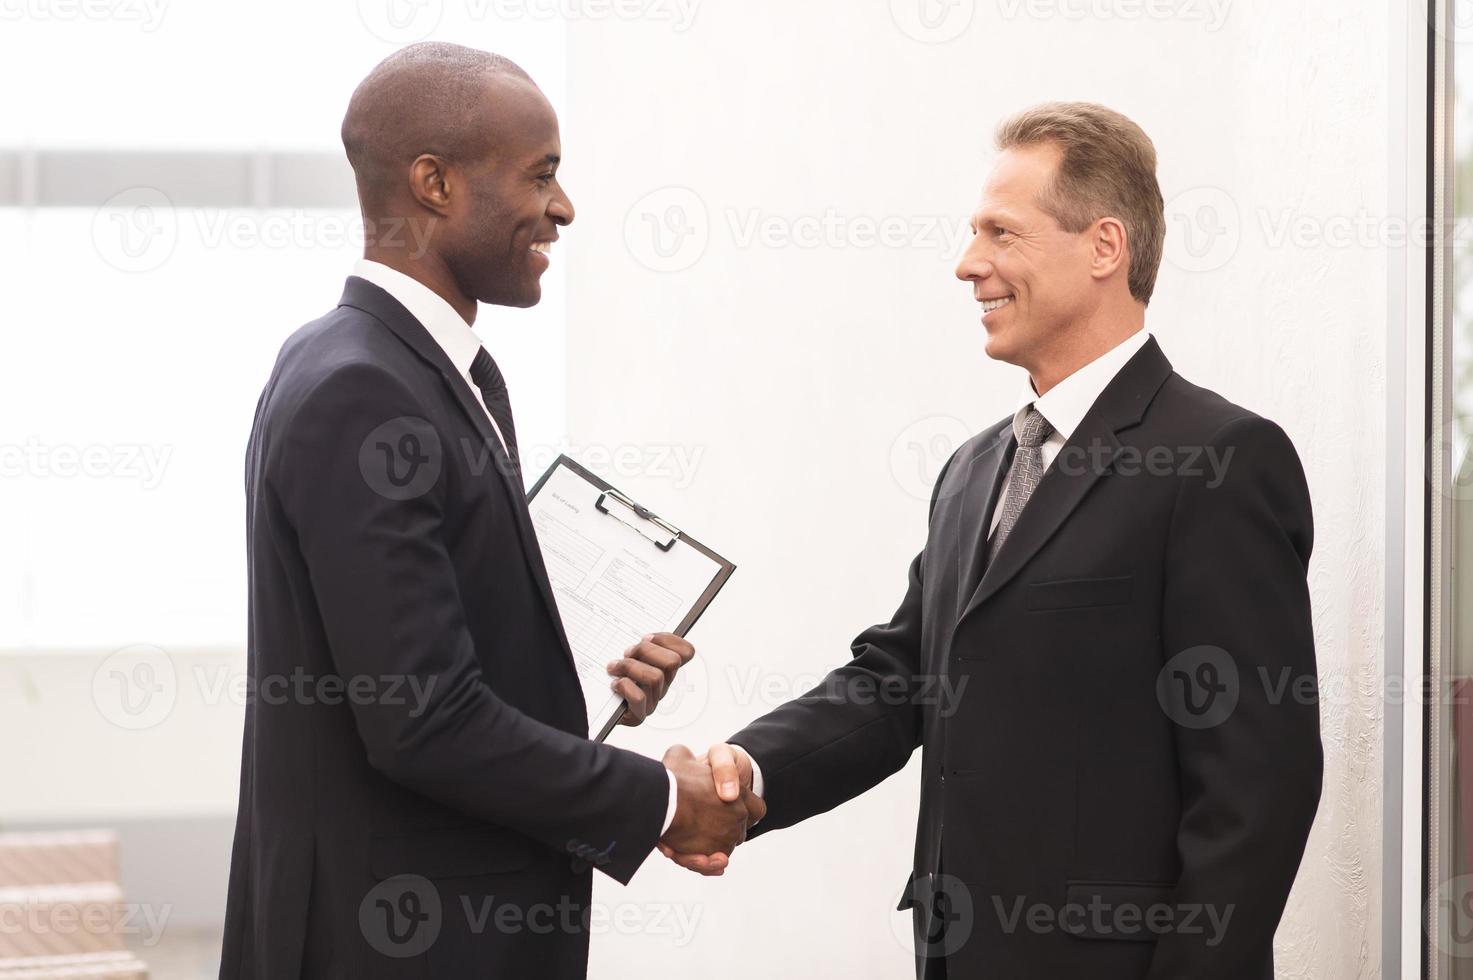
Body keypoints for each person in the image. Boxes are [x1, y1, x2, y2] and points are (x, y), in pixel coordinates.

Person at [666, 102, 1323, 980]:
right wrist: (745, 775)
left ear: (1103, 248)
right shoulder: (973, 469)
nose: (967, 263)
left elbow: (1257, 790)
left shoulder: (1219, 460)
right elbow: (900, 679)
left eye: (1000, 233)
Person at [220, 42, 760, 979]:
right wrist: (663, 802)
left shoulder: (410, 369)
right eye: (541, 174)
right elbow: (422, 720)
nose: (563, 206)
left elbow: (412, 663)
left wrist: (576, 690)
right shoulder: (364, 389)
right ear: (434, 183)